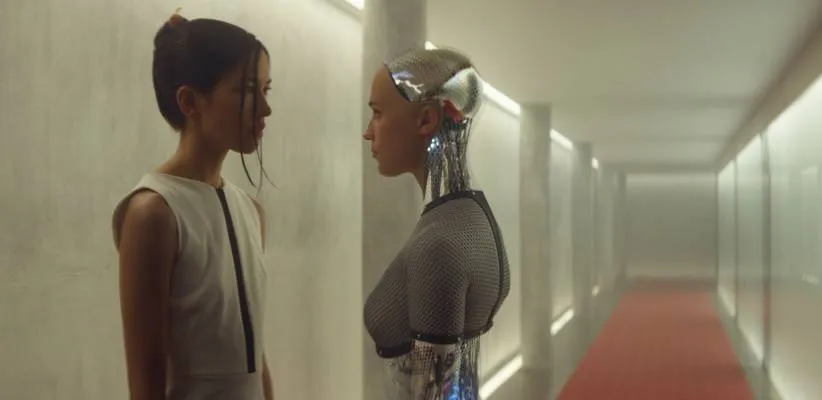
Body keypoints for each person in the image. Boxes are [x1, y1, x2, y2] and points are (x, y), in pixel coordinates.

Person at [111, 11, 274, 400]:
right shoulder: (153, 213)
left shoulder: (251, 212)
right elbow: (146, 379)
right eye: (247, 91)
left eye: (267, 90)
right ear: (189, 101)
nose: (265, 109)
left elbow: (256, 355)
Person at [362, 47, 511, 399]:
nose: (368, 132)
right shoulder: (475, 219)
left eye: (378, 113)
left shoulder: (439, 244)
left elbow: (437, 392)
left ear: (426, 120)